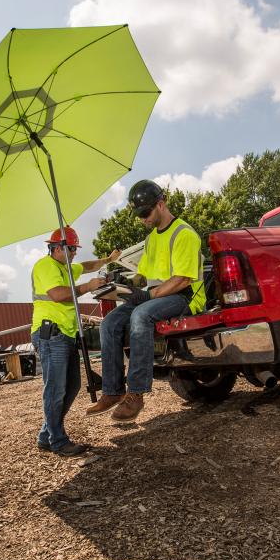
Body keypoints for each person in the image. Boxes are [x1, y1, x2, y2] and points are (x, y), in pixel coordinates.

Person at [87, 180, 205, 422]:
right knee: (109, 323)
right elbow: (142, 276)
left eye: (145, 213)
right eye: (138, 214)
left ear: (161, 204)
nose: (142, 218)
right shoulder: (152, 239)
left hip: (182, 297)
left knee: (140, 316)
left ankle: (137, 393)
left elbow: (182, 280)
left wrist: (147, 295)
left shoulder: (184, 234)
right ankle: (112, 391)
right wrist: (124, 282)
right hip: (154, 296)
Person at [31, 226, 119, 456]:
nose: (74, 254)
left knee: (72, 386)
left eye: (75, 249)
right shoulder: (46, 266)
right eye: (71, 249)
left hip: (65, 334)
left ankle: (46, 436)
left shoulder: (66, 267)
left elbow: (88, 266)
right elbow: (58, 295)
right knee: (55, 389)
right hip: (52, 334)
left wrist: (107, 260)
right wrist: (86, 287)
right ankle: (58, 441)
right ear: (57, 248)